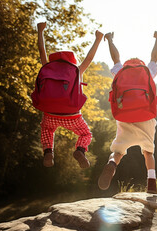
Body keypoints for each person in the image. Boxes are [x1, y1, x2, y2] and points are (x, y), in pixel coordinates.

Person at [98, 31, 157, 194]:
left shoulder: (120, 71)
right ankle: (152, 183)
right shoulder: (147, 71)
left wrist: (110, 40)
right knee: (148, 152)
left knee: (118, 151)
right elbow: (155, 57)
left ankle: (112, 165)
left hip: (124, 116)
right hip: (146, 116)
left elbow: (115, 58)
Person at [37, 22, 103, 168]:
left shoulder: (47, 68)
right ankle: (80, 150)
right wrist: (98, 39)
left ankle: (48, 151)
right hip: (72, 115)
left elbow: (41, 50)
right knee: (86, 134)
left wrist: (40, 30)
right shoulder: (77, 70)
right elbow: (90, 58)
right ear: (72, 61)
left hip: (49, 114)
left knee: (46, 129)